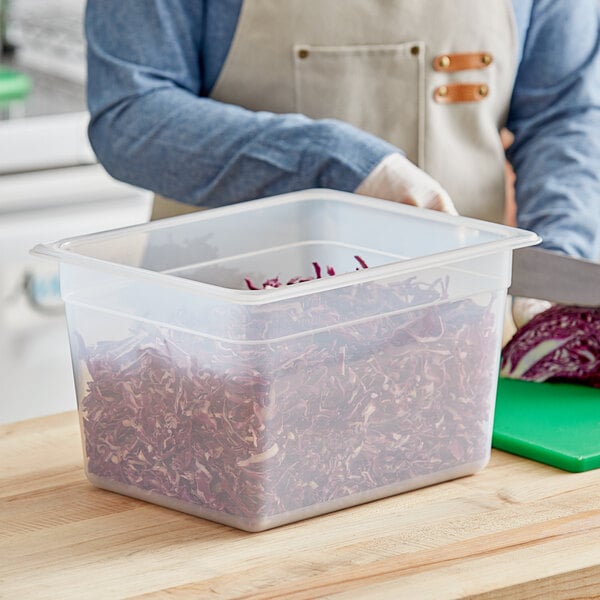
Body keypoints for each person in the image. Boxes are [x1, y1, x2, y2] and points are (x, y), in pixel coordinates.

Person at [84, 1, 600, 299]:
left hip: (463, 318)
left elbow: (564, 114)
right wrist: (335, 163)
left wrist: (561, 258)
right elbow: (129, 116)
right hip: (223, 330)